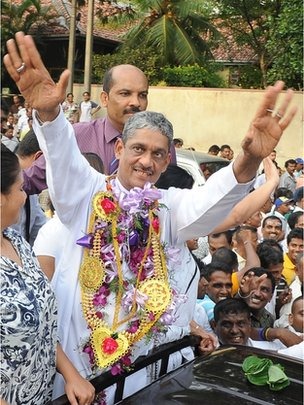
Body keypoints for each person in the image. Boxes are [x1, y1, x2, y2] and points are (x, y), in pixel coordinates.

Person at [4, 31, 297, 403]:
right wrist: (48, 113)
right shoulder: (87, 194)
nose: (147, 161)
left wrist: (248, 160)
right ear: (121, 147)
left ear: (167, 161)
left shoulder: (167, 207)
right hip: (82, 377)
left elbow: (210, 204)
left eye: (159, 154)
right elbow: (63, 157)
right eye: (139, 149)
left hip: (144, 375)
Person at [0, 144, 95, 405]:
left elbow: (42, 326)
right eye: (20, 189)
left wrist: (70, 373)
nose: (24, 197)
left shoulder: (16, 242)